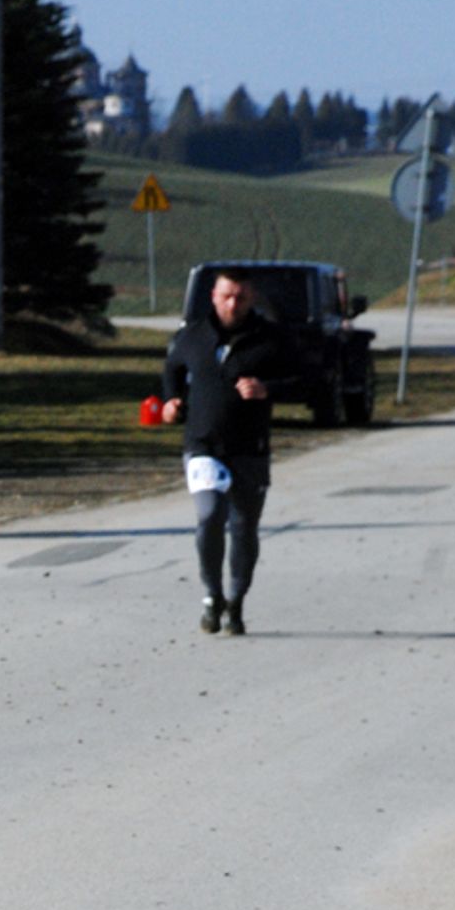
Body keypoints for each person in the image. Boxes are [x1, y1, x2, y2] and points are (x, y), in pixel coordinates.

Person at [160, 269, 301, 636]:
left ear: (252, 298)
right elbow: (172, 369)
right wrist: (171, 402)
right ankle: (212, 595)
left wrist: (267, 389)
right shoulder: (192, 336)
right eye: (226, 296)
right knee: (209, 515)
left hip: (250, 449)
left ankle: (236, 601)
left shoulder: (271, 339)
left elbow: (304, 379)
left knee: (243, 526)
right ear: (214, 296)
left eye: (240, 296)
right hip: (203, 445)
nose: (233, 303)